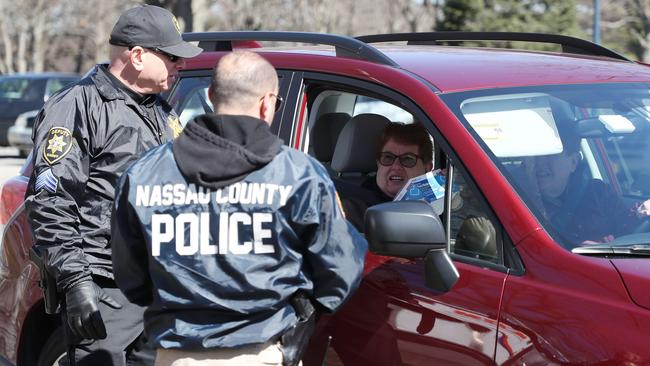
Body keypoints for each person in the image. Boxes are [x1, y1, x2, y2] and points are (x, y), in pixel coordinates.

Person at [111, 50, 367, 366]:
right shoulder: (299, 175)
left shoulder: (145, 174)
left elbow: (131, 279)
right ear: (266, 103)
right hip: (264, 352)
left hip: (176, 356)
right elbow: (340, 272)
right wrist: (302, 305)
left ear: (209, 96)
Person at [25, 5, 202, 365]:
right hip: (106, 287)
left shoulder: (159, 110)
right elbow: (50, 200)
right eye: (171, 57)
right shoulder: (78, 106)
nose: (180, 65)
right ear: (137, 56)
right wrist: (76, 282)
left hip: (158, 284)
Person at [523, 123, 650, 246]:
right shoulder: (516, 196)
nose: (540, 163)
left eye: (550, 155)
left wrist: (640, 213)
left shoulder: (598, 193)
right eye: (535, 155)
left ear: (574, 162)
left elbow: (626, 228)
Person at [339, 122, 433, 231]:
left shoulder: (444, 204)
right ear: (378, 163)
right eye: (388, 157)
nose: (396, 166)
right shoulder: (349, 210)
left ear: (427, 168)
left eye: (407, 159)